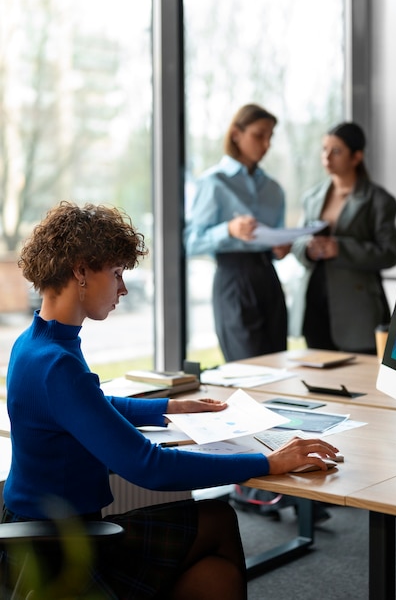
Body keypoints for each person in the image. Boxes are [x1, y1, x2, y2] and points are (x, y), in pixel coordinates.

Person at [1, 201, 339, 600]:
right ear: (80, 271)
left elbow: (88, 405)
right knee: (216, 523)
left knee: (215, 567)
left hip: (44, 531)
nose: (122, 288)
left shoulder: (37, 342)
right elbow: (149, 467)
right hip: (57, 550)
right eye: (116, 273)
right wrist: (269, 462)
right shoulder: (55, 363)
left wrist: (170, 408)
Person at [185, 103, 290, 362]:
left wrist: (281, 248)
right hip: (233, 280)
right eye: (259, 135)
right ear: (236, 134)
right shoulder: (213, 183)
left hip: (269, 278)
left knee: (278, 364)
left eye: (270, 137)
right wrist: (228, 230)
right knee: (247, 368)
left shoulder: (274, 189)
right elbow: (190, 242)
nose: (266, 144)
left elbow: (277, 237)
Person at [291, 121, 396, 353]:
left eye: (336, 151)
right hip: (315, 304)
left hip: (358, 310)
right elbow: (297, 243)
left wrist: (341, 249)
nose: (327, 157)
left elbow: (390, 253)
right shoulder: (312, 197)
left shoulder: (379, 200)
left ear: (356, 156)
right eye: (324, 149)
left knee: (361, 382)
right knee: (318, 382)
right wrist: (308, 250)